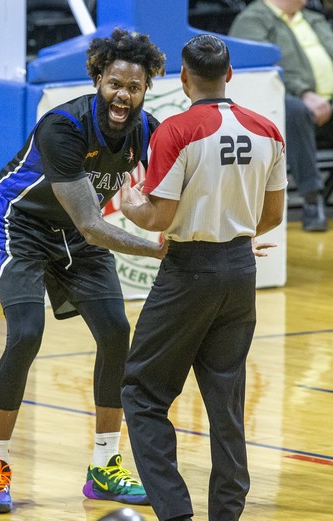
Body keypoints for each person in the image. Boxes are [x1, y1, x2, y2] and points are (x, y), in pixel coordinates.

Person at [0, 28, 166, 514]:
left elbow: (180, 190)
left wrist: (224, 233)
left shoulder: (148, 129)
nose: (123, 95)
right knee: (25, 334)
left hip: (77, 237)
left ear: (147, 90)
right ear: (99, 78)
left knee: (115, 330)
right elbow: (92, 223)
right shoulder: (63, 126)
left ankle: (105, 465)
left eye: (134, 87)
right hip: (20, 223)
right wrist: (160, 250)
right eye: (115, 84)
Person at [119, 34, 286, 521]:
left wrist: (132, 208)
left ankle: (174, 511)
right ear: (229, 74)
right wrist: (228, 230)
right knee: (226, 398)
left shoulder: (175, 130)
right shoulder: (268, 129)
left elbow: (159, 216)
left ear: (184, 78)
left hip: (189, 273)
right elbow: (271, 215)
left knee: (142, 393)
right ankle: (226, 514)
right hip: (240, 270)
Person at [229, 0, 333, 231]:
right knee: (296, 110)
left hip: (326, 100)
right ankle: (311, 200)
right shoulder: (253, 19)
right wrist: (304, 92)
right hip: (284, 100)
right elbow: (260, 67)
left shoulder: (314, 18)